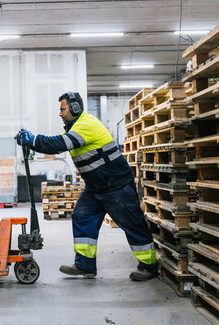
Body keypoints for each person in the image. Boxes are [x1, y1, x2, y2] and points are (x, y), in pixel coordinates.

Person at [14, 92, 158, 281]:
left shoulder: (87, 124)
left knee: (132, 223)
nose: (60, 113)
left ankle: (149, 267)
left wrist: (32, 139)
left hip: (116, 185)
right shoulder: (74, 128)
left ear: (75, 108)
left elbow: (60, 143)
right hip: (96, 187)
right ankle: (85, 265)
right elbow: (57, 147)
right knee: (82, 216)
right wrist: (30, 143)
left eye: (62, 109)